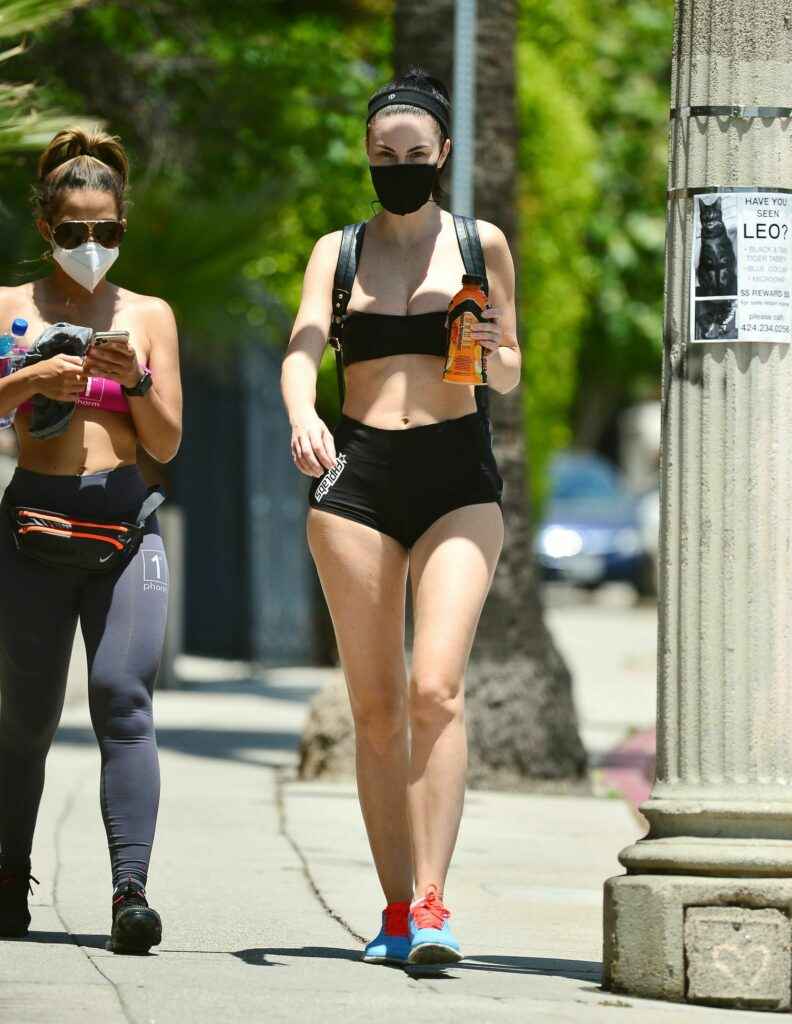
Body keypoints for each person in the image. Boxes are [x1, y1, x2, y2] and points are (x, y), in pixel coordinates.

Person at [281, 69, 521, 966]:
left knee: (437, 690)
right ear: (367, 156)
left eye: (415, 153)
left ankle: (431, 903)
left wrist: (495, 351)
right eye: (385, 154)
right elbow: (303, 346)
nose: (399, 167)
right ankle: (390, 911)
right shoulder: (337, 252)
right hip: (359, 476)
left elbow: (510, 371)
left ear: (443, 153)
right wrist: (302, 415)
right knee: (377, 707)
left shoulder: (479, 244)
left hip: (457, 474)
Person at [0, 128, 182, 954]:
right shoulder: (11, 306)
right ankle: (9, 875)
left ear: (123, 228)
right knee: (25, 716)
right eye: (73, 230)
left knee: (123, 697)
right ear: (47, 228)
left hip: (125, 529)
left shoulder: (148, 315)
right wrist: (30, 379)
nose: (91, 245)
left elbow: (168, 442)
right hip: (31, 529)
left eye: (107, 230)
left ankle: (130, 892)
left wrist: (134, 378)